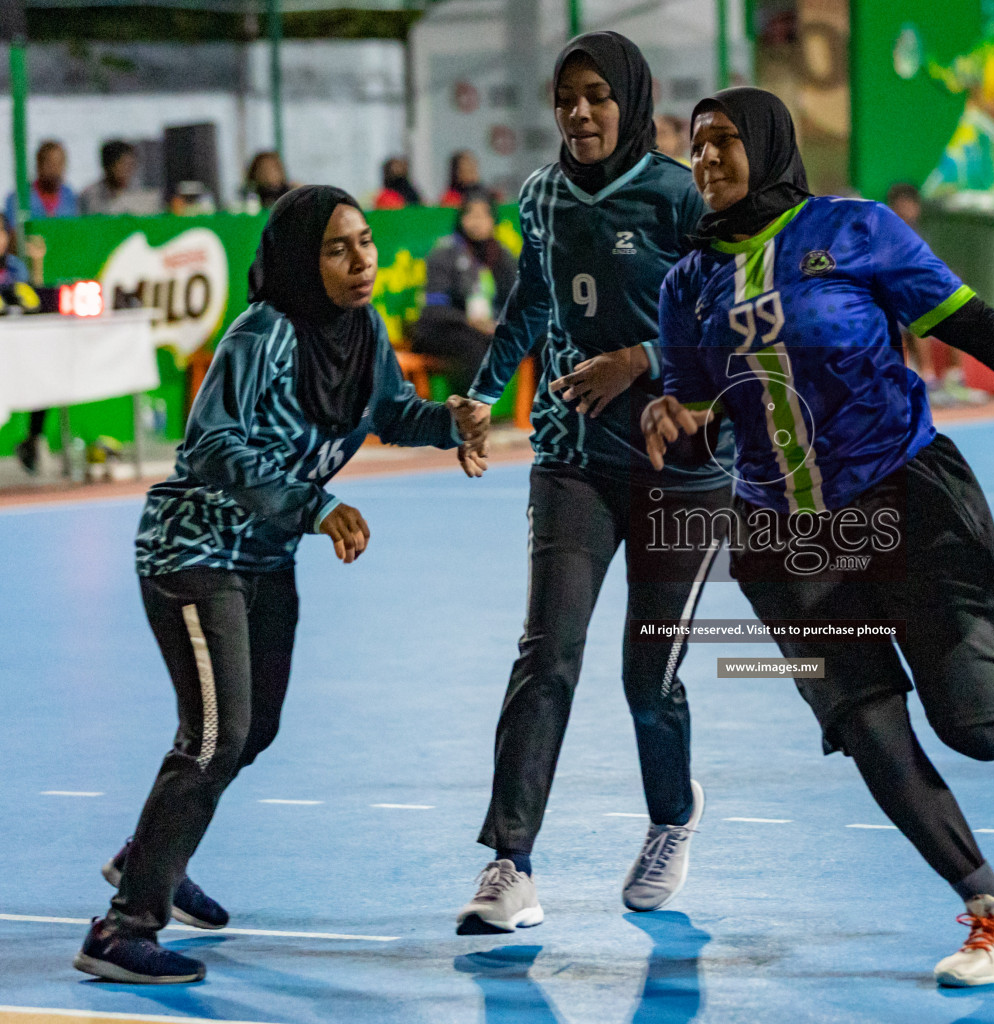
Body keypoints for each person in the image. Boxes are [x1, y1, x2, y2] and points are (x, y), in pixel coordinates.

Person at [642, 86, 994, 989]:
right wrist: (676, 417)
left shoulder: (853, 230)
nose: (704, 161)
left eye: (723, 143)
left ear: (772, 147)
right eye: (695, 147)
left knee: (977, 726)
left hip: (906, 499)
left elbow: (966, 319)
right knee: (868, 727)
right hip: (778, 537)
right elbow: (705, 407)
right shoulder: (687, 284)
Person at [71, 185, 483, 984]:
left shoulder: (360, 327)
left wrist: (448, 422)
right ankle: (121, 930)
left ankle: (148, 856)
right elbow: (214, 446)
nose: (361, 260)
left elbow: (389, 412)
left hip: (264, 556)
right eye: (339, 248)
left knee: (252, 731)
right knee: (215, 735)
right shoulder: (262, 334)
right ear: (303, 259)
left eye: (365, 242)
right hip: (194, 552)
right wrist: (315, 504)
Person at [451, 31, 734, 935]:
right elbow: (532, 299)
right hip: (572, 458)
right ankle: (510, 863)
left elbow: (735, 315)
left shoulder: (682, 195)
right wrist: (483, 392)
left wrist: (640, 360)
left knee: (647, 681)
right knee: (547, 653)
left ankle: (670, 816)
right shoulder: (538, 195)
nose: (578, 112)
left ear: (634, 102)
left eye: (596, 96)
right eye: (566, 96)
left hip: (683, 469)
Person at [886, 181, 986, 408]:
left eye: (910, 205)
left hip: (918, 299)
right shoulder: (887, 236)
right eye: (900, 205)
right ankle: (928, 380)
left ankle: (955, 379)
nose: (906, 210)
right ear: (892, 208)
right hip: (896, 306)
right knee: (919, 319)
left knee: (956, 314)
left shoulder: (918, 236)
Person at [411, 189, 516, 394]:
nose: (477, 221)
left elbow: (517, 299)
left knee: (540, 334)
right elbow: (434, 309)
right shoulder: (445, 252)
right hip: (446, 329)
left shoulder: (501, 255)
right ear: (461, 218)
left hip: (488, 328)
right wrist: (471, 322)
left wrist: (501, 324)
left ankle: (551, 406)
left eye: (484, 215)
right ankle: (468, 415)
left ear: (493, 219)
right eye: (471, 214)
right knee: (472, 346)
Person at [4, 213, 48, 473]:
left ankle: (32, 441)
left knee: (44, 381)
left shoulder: (16, 267)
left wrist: (37, 265)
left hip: (18, 352)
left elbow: (35, 300)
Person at [79, 140, 162, 216]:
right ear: (108, 166)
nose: (128, 170)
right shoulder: (90, 195)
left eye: (131, 165)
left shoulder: (143, 193)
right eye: (123, 164)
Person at [6, 140, 79, 224]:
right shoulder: (19, 199)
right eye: (51, 164)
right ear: (39, 164)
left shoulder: (70, 197)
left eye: (60, 164)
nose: (56, 170)